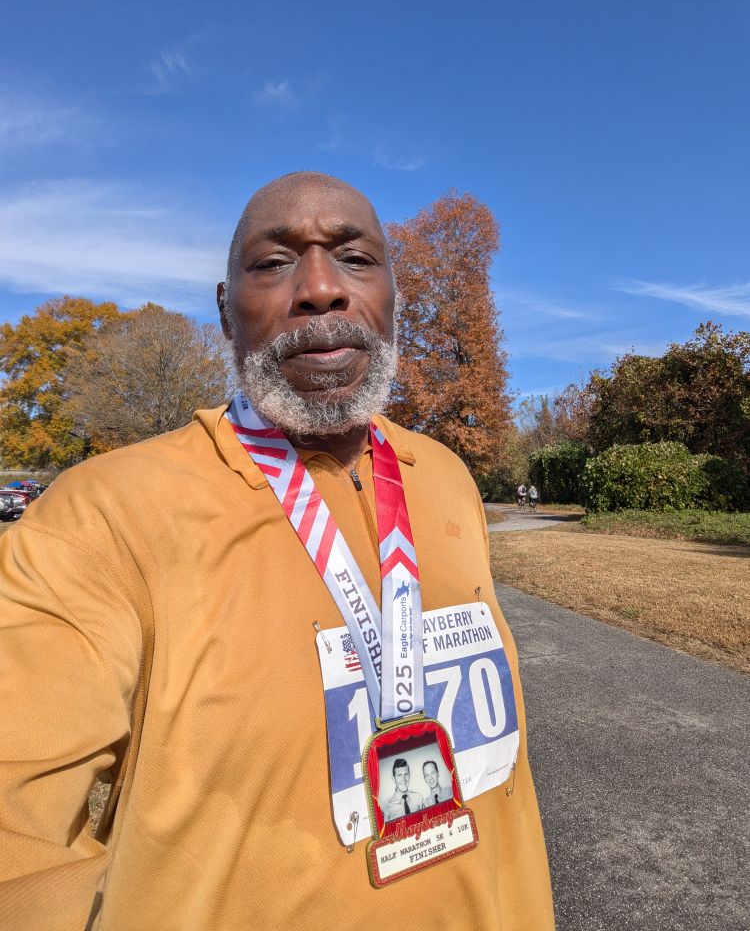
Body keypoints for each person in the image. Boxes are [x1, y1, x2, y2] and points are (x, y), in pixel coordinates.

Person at [0, 172, 554, 930]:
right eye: (274, 262)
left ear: (396, 299)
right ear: (228, 311)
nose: (321, 288)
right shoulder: (104, 515)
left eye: (356, 259)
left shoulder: (447, 477)